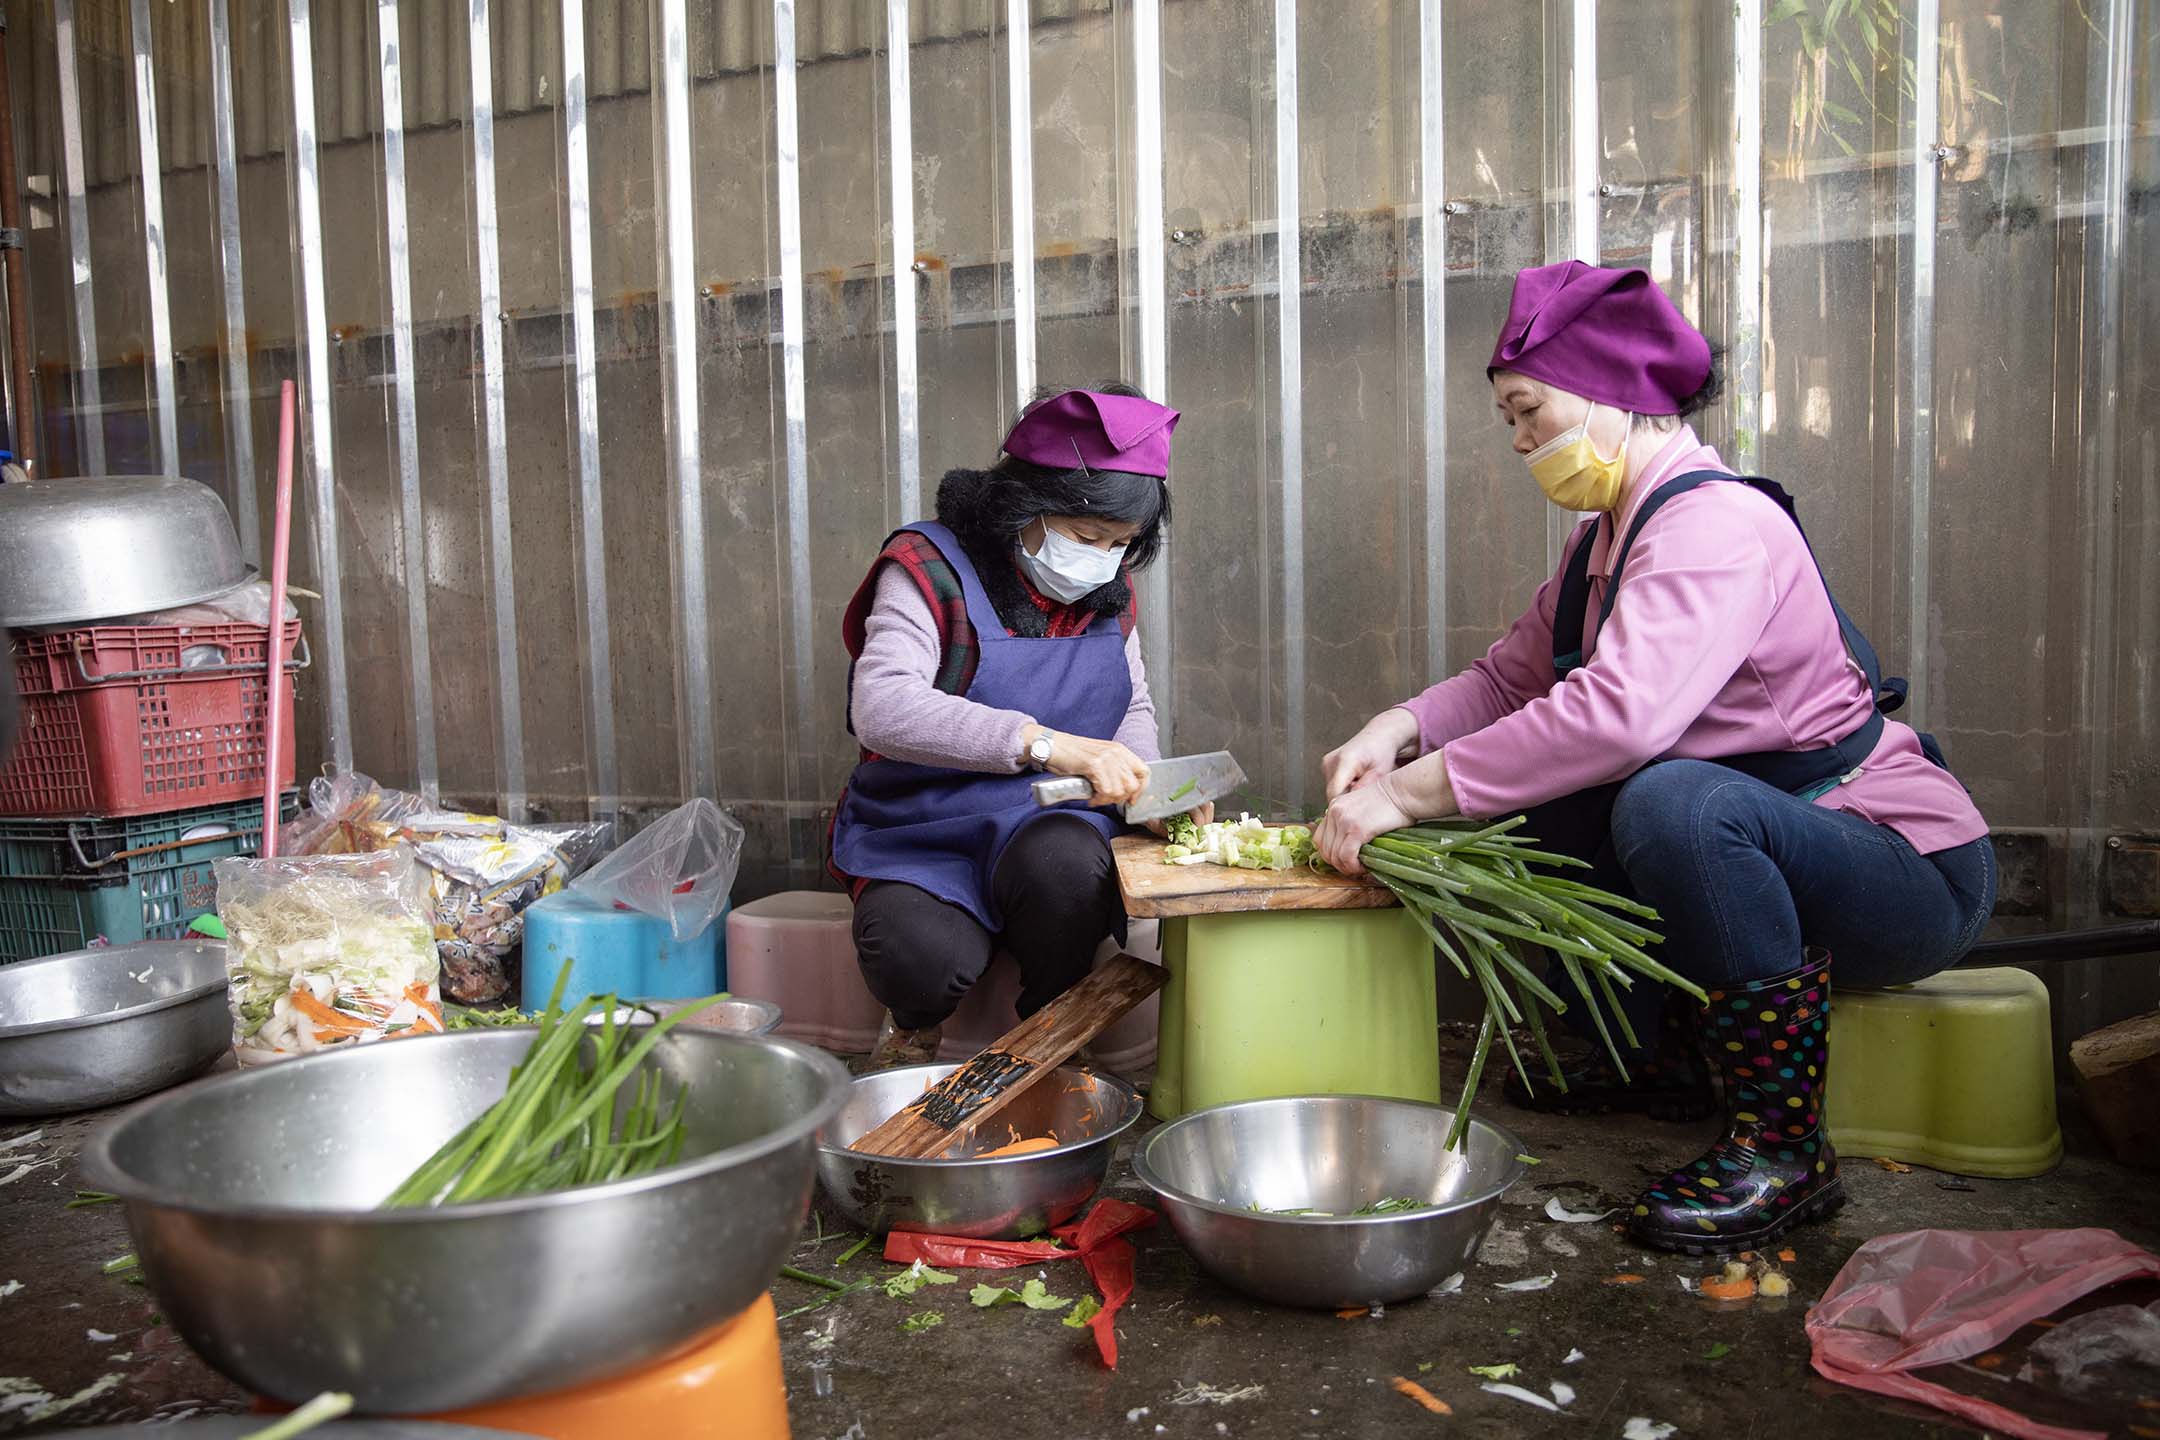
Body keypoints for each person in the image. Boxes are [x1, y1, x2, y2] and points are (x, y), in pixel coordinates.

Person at [1310, 261, 1995, 1254]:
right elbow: (1510, 683)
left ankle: (1785, 1151)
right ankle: (1648, 1059)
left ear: (1618, 391)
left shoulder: (1713, 526)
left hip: (1901, 869)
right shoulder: (1605, 542)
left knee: (1674, 806)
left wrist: (1408, 800)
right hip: (1785, 856)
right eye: (1510, 418)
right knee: (1542, 796)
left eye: (1529, 410)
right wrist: (1396, 730)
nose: (1519, 441)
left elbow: (1619, 718)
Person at [828, 384, 1208, 1070]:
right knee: (917, 955)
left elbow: (1132, 709)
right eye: (1086, 537)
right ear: (1022, 506)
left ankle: (1053, 1038)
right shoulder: (928, 568)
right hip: (924, 825)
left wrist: (1150, 792)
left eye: (1122, 544)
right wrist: (1045, 744)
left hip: (1048, 825)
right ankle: (914, 1028)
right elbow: (880, 706)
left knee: (1069, 868)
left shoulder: (1108, 594)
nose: (1103, 559)